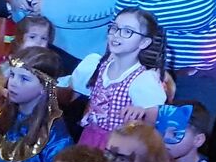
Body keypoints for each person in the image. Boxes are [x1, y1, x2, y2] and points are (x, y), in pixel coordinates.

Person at [67, 9, 168, 148]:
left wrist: (141, 114)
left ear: (144, 42)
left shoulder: (143, 80)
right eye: (114, 28)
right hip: (90, 137)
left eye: (128, 31)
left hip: (118, 145)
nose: (116, 35)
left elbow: (152, 125)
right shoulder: (97, 65)